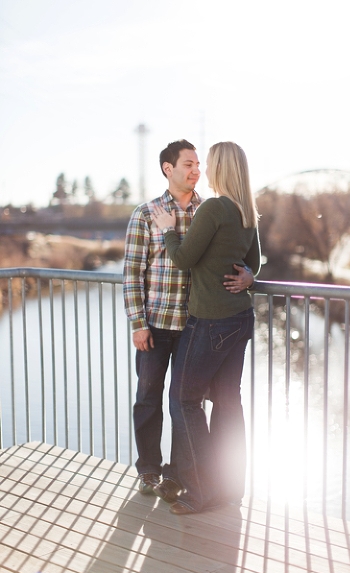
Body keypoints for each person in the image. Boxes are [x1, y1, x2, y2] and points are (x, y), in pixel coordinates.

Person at [123, 139, 254, 503]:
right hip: (156, 324)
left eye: (199, 163)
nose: (197, 170)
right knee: (149, 397)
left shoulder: (212, 209)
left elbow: (243, 254)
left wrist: (250, 275)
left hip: (196, 326)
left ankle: (183, 475)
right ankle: (149, 470)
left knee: (186, 401)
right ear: (168, 169)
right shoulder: (146, 213)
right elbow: (132, 272)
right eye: (188, 164)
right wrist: (138, 323)